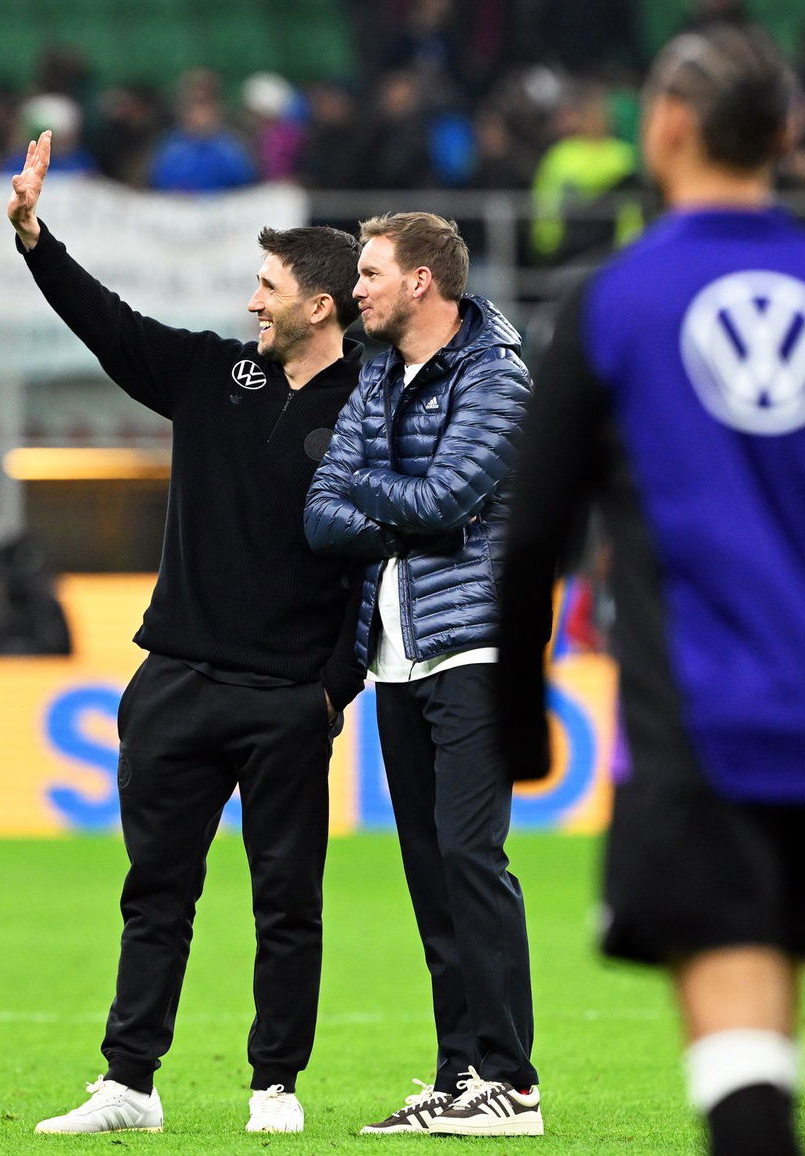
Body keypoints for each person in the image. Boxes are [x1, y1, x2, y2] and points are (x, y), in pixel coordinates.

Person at [495, 26, 805, 1156]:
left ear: (671, 126)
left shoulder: (614, 302)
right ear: (787, 136)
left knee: (738, 1056)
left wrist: (516, 723)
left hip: (700, 725)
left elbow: (534, 533)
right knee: (765, 1010)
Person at [6, 130, 366, 1136]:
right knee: (154, 891)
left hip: (286, 697)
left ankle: (275, 1086)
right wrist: (36, 239)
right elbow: (110, 327)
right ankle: (129, 1083)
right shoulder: (214, 376)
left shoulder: (369, 409)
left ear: (318, 305)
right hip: (174, 683)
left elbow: (376, 564)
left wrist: (330, 685)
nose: (252, 299)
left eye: (267, 285)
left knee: (286, 899)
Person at [304, 211, 541, 1137]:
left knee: (472, 855)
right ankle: (459, 1072)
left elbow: (450, 497)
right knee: (429, 868)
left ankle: (513, 1083)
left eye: (368, 273)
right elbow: (323, 514)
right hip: (396, 653)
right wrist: (387, 500)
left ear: (421, 282)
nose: (354, 288)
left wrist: (363, 482)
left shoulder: (499, 376)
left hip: (476, 644)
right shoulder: (375, 374)